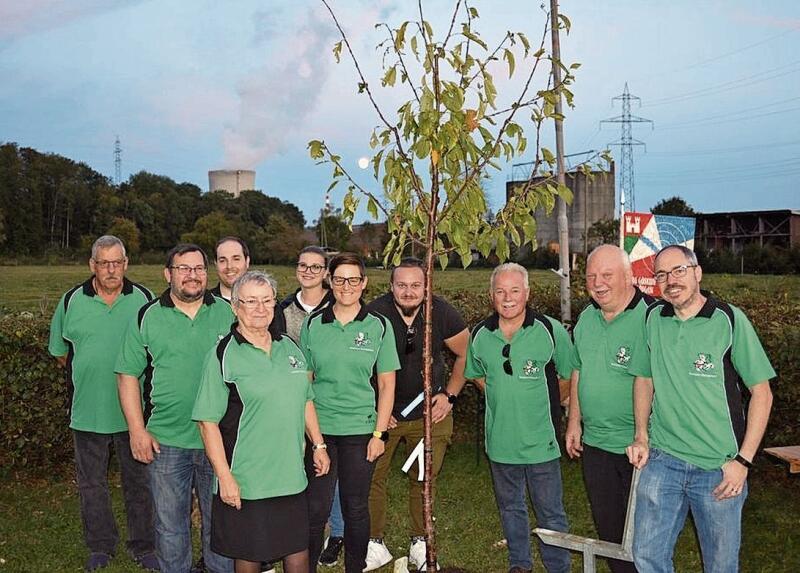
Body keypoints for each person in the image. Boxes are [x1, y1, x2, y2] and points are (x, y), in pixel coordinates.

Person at [626, 245, 775, 573]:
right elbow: (643, 377)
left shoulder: (728, 319)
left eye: (678, 270)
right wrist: (641, 436)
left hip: (718, 469)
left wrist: (743, 461)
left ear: (697, 272)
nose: (670, 280)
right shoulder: (653, 317)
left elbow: (761, 393)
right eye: (661, 274)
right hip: (663, 460)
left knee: (721, 565)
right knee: (647, 556)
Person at [193, 270, 331, 573]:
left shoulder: (290, 348)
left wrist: (318, 444)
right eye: (251, 301)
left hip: (291, 476)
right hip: (248, 480)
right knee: (250, 555)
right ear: (235, 306)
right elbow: (207, 423)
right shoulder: (222, 355)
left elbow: (305, 399)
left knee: (297, 551)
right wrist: (225, 477)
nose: (260, 309)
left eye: (267, 301)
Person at [115, 244, 235, 573]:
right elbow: (127, 375)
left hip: (219, 442)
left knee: (220, 525)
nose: (192, 275)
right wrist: (137, 431)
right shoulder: (148, 316)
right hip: (166, 441)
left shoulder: (229, 313)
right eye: (183, 268)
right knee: (170, 528)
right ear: (168, 274)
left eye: (198, 268)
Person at [48, 235, 158, 572]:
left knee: (139, 484)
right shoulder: (70, 301)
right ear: (92, 265)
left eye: (117, 262)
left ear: (126, 264)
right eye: (103, 263)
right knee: (91, 485)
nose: (110, 270)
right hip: (87, 414)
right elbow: (61, 353)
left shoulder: (144, 300)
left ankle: (144, 546)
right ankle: (100, 546)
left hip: (134, 417)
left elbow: (156, 352)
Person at [464, 263, 572, 573]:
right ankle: (520, 564)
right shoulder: (480, 335)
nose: (507, 298)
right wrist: (501, 392)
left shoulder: (550, 330)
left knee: (550, 513)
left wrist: (550, 403)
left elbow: (568, 374)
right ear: (491, 295)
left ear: (527, 293)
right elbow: (475, 374)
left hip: (541, 443)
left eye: (514, 290)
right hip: (501, 442)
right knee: (511, 508)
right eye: (500, 291)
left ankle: (558, 567)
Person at [364, 258, 469, 571]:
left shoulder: (442, 312)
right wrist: (376, 407)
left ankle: (419, 542)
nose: (408, 292)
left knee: (423, 479)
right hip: (386, 413)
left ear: (426, 286)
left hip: (429, 413)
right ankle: (374, 543)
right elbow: (357, 365)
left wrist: (449, 396)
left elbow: (466, 353)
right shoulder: (373, 313)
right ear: (391, 286)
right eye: (401, 285)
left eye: (415, 285)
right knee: (372, 477)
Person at [299, 252, 400, 573]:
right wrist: (315, 441)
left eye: (353, 279)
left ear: (364, 283)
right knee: (316, 510)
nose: (346, 286)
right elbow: (304, 385)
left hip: (361, 431)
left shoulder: (378, 326)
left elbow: (386, 385)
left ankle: (354, 568)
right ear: (329, 280)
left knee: (356, 508)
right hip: (322, 432)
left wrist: (380, 434)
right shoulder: (314, 324)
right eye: (339, 279)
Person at [565, 245, 652, 573]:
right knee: (610, 533)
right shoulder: (586, 318)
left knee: (645, 537)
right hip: (597, 446)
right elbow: (577, 370)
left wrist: (644, 436)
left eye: (607, 275)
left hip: (642, 448)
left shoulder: (651, 316)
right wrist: (574, 422)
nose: (597, 283)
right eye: (591, 276)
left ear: (629, 277)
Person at [275, 246, 342, 568]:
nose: (309, 271)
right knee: (299, 467)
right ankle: (294, 533)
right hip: (292, 401)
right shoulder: (283, 309)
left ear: (326, 272)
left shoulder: (341, 304)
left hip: (331, 401)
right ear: (296, 269)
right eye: (304, 265)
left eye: (317, 267)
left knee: (336, 469)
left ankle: (337, 533)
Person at [210, 237, 250, 302]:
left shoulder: (265, 302)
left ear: (247, 262)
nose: (229, 266)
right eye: (222, 261)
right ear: (216, 264)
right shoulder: (203, 303)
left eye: (236, 259)